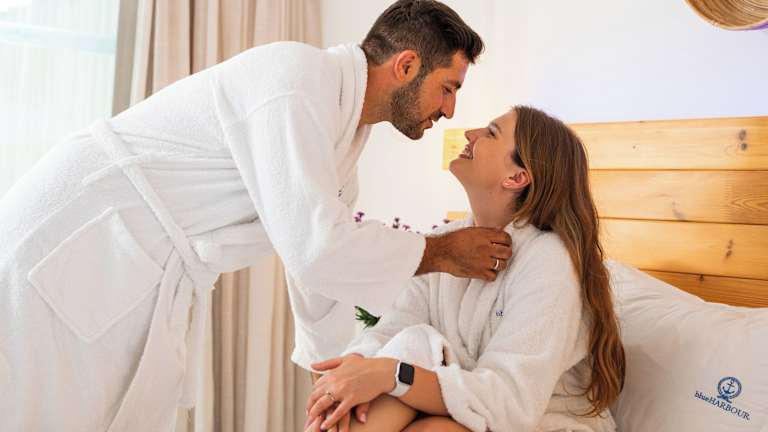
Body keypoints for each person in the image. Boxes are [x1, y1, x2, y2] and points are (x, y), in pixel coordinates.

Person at [0, 1, 513, 430]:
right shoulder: (296, 82)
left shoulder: (340, 140)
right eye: (448, 87)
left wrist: (331, 376)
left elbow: (317, 270)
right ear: (406, 66)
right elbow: (316, 249)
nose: (450, 110)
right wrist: (438, 253)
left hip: (134, 259)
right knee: (40, 408)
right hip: (82, 232)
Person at [304, 106, 626, 432]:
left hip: (542, 422)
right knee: (400, 357)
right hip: (466, 410)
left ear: (516, 177)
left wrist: (391, 374)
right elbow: (394, 329)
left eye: (491, 133)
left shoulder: (549, 263)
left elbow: (510, 401)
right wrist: (357, 365)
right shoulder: (446, 245)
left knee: (427, 420)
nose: (471, 134)